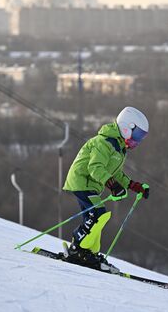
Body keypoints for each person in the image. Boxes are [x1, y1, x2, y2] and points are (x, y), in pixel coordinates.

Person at [62, 106, 150, 272]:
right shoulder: (104, 143)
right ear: (126, 127)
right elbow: (95, 167)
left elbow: (116, 173)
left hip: (91, 184)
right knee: (98, 214)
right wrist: (112, 185)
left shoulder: (119, 149)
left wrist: (133, 186)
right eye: (137, 135)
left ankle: (89, 253)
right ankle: (77, 249)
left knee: (96, 216)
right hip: (82, 181)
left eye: (141, 138)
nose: (137, 141)